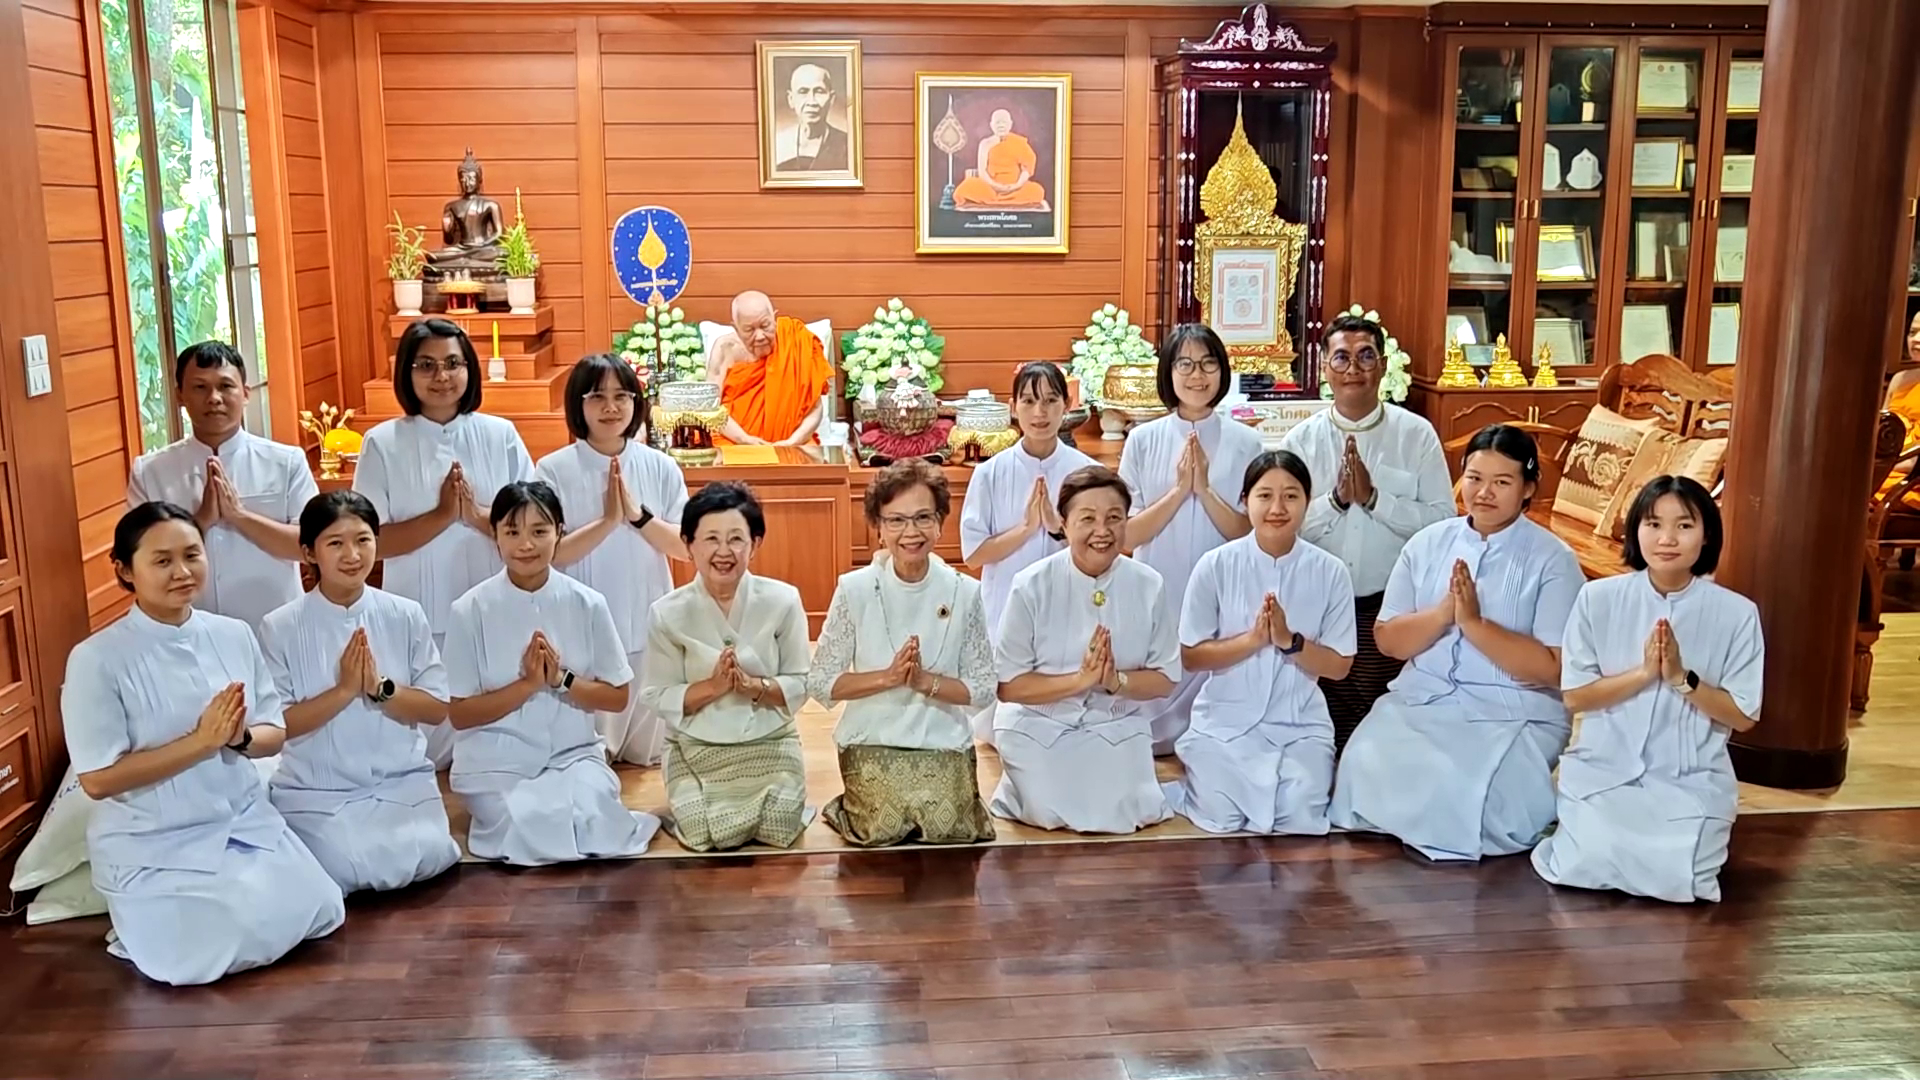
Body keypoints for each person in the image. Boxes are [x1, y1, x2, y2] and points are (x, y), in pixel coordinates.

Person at [60, 502, 344, 985]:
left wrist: (240, 737)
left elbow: (272, 732)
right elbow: (98, 780)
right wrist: (200, 742)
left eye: (192, 555)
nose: (182, 572)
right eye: (162, 560)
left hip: (238, 822)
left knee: (321, 909)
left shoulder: (232, 633)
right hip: (154, 840)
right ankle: (143, 926)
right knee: (199, 955)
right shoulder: (96, 659)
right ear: (124, 570)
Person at [1329, 424, 1583, 862]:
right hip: (1424, 699)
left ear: (1528, 489)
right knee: (1361, 763)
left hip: (1514, 709)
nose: (1484, 492)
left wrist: (1475, 623)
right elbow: (1388, 640)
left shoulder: (1553, 559)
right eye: (1474, 478)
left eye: (1502, 482)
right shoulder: (1427, 544)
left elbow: (1552, 668)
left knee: (1483, 801)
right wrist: (1443, 614)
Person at [1532, 476, 1762, 903]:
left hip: (1690, 776)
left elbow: (1743, 716)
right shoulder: (1597, 598)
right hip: (1606, 769)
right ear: (1636, 529)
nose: (1667, 539)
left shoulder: (1737, 613)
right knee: (1584, 864)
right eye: (1654, 524)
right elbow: (1575, 696)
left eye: (1684, 526)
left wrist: (1681, 678)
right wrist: (1643, 674)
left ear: (1707, 534)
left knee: (1683, 876)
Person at [443, 481, 660, 866]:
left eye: (539, 531)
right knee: (532, 824)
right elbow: (459, 714)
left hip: (572, 754)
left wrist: (563, 680)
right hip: (497, 760)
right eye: (512, 532)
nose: (526, 544)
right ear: (495, 536)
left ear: (559, 532)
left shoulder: (587, 602)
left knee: (597, 824)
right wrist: (527, 685)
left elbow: (617, 696)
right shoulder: (469, 609)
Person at [259, 492, 460, 894]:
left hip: (399, 781)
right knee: (347, 867)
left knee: (431, 856)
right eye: (335, 543)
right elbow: (278, 726)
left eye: (363, 540)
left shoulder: (404, 614)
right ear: (309, 552)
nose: (352, 554)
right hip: (318, 790)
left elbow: (437, 708)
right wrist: (344, 691)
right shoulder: (278, 626)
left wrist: (380, 689)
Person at [354, 318, 533, 768]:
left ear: (469, 368)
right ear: (407, 374)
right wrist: (440, 516)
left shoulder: (500, 434)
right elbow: (369, 541)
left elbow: (535, 524)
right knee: (426, 748)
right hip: (417, 605)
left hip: (494, 603)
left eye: (453, 364)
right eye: (426, 365)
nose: (442, 377)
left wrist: (474, 516)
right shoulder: (382, 443)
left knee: (497, 737)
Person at [1281, 314, 1454, 752]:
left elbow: (1442, 523)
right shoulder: (1302, 441)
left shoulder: (1416, 436)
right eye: (1341, 357)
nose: (1353, 369)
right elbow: (1282, 524)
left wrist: (1377, 500)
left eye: (1365, 357)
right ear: (1323, 367)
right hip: (1320, 602)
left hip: (1390, 604)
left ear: (1382, 366)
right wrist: (1337, 502)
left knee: (1382, 724)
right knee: (1325, 721)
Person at [1163, 451, 1356, 835]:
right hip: (1224, 720)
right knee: (1221, 817)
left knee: (1299, 818)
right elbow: (1192, 655)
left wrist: (1290, 641)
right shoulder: (1215, 565)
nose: (1277, 508)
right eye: (1264, 495)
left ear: (1307, 500)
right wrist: (1253, 640)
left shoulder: (1330, 571)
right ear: (1245, 500)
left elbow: (1339, 666)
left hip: (1299, 723)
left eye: (1291, 495)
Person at [807, 460, 997, 847]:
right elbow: (821, 682)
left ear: (941, 521)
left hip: (942, 740)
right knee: (882, 828)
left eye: (923, 518)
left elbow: (982, 689)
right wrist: (888, 679)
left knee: (948, 831)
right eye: (896, 521)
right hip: (872, 739)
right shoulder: (855, 589)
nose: (911, 532)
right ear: (878, 527)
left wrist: (926, 683)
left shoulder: (964, 591)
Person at [990, 466, 1181, 834]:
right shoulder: (1030, 585)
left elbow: (1166, 678)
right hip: (1038, 723)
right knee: (1049, 803)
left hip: (1115, 721)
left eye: (1114, 518)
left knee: (1128, 804)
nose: (1102, 531)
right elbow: (1009, 687)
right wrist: (1078, 681)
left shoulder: (1148, 584)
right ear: (1063, 523)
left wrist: (1115, 681)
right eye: (1087, 519)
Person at [640, 483, 812, 851]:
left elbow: (801, 680)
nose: (723, 551)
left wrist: (753, 687)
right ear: (689, 544)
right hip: (695, 744)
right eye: (710, 539)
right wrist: (713, 688)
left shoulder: (783, 600)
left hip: (769, 737)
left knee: (781, 826)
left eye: (736, 539)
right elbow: (656, 693)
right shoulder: (667, 612)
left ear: (755, 543)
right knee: (702, 833)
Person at [536, 355, 689, 766]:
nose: (611, 407)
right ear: (577, 405)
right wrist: (607, 521)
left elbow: (685, 547)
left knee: (649, 753)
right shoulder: (552, 470)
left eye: (621, 396)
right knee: (586, 752)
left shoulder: (660, 465)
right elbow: (548, 554)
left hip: (645, 607)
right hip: (579, 620)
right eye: (597, 396)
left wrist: (637, 516)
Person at [1120, 323, 1263, 751]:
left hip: (1222, 584)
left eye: (1207, 364)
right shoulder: (1142, 440)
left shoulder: (1245, 441)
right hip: (1159, 580)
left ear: (1222, 372)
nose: (1197, 375)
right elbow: (1126, 533)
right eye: (1185, 364)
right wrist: (1179, 491)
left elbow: (1247, 530)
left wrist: (1204, 490)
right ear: (1168, 372)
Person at [125, 341, 319, 630]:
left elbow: (310, 546)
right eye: (200, 387)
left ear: (245, 393)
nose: (214, 398)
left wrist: (239, 515)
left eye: (225, 386)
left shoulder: (286, 461)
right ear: (180, 395)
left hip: (275, 625)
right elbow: (139, 555)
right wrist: (201, 520)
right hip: (186, 629)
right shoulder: (150, 471)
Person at [957, 362, 1094, 744]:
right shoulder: (990, 472)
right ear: (1013, 406)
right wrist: (1026, 530)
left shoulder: (1086, 473)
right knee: (997, 727)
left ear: (1066, 406)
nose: (1040, 412)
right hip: (1004, 601)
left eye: (1051, 401)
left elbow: (1103, 547)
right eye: (1030, 401)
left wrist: (1056, 527)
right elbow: (975, 554)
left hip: (1068, 599)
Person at [705, 291, 835, 446]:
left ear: (774, 318)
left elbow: (815, 409)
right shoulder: (725, 349)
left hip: (795, 443)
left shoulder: (795, 341)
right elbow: (710, 406)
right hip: (734, 441)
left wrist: (792, 442)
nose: (759, 336)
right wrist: (744, 439)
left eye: (765, 326)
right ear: (736, 328)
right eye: (749, 330)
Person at [953, 109, 1048, 209]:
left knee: (1037, 190)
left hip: (1015, 187)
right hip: (990, 187)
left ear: (1010, 124)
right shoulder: (985, 144)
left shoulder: (1018, 142)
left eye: (1004, 122)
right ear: (991, 125)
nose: (1001, 125)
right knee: (966, 187)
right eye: (997, 122)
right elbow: (982, 172)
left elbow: (1026, 169)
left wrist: (1017, 185)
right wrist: (996, 186)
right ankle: (1005, 200)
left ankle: (996, 201)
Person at [775, 63, 850, 172]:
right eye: (803, 92)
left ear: (831, 98)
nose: (812, 101)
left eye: (819, 91)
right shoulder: (778, 144)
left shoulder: (846, 145)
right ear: (791, 99)